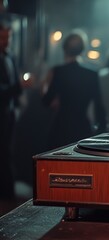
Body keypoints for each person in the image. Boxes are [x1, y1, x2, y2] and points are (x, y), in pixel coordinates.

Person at [42, 30, 106, 149]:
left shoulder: (59, 72)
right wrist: (102, 131)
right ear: (82, 49)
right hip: (82, 126)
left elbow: (46, 101)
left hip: (61, 127)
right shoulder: (91, 74)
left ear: (64, 49)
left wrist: (45, 85)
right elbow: (99, 106)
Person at [0, 14, 22, 200]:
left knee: (7, 151)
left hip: (9, 112)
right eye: (3, 37)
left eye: (8, 37)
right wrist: (19, 87)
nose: (6, 41)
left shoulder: (11, 57)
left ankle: (8, 192)